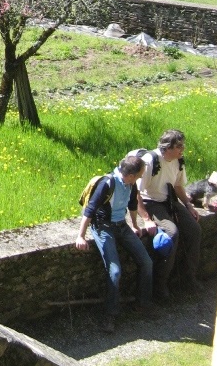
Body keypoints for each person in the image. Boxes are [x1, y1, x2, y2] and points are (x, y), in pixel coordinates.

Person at [75, 154, 154, 333]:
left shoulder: (131, 184)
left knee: (147, 262)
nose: (141, 177)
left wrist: (135, 226)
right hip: (103, 227)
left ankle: (143, 304)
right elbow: (89, 210)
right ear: (131, 175)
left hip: (122, 226)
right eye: (140, 175)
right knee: (115, 271)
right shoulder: (107, 184)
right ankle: (110, 315)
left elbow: (132, 205)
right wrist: (81, 236)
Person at [136, 129, 202, 301]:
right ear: (167, 148)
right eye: (179, 146)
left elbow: (178, 186)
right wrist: (146, 219)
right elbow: (136, 193)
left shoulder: (178, 161)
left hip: (170, 200)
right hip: (151, 202)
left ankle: (188, 279)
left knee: (194, 230)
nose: (183, 149)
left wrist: (188, 205)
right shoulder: (150, 160)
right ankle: (160, 285)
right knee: (171, 233)